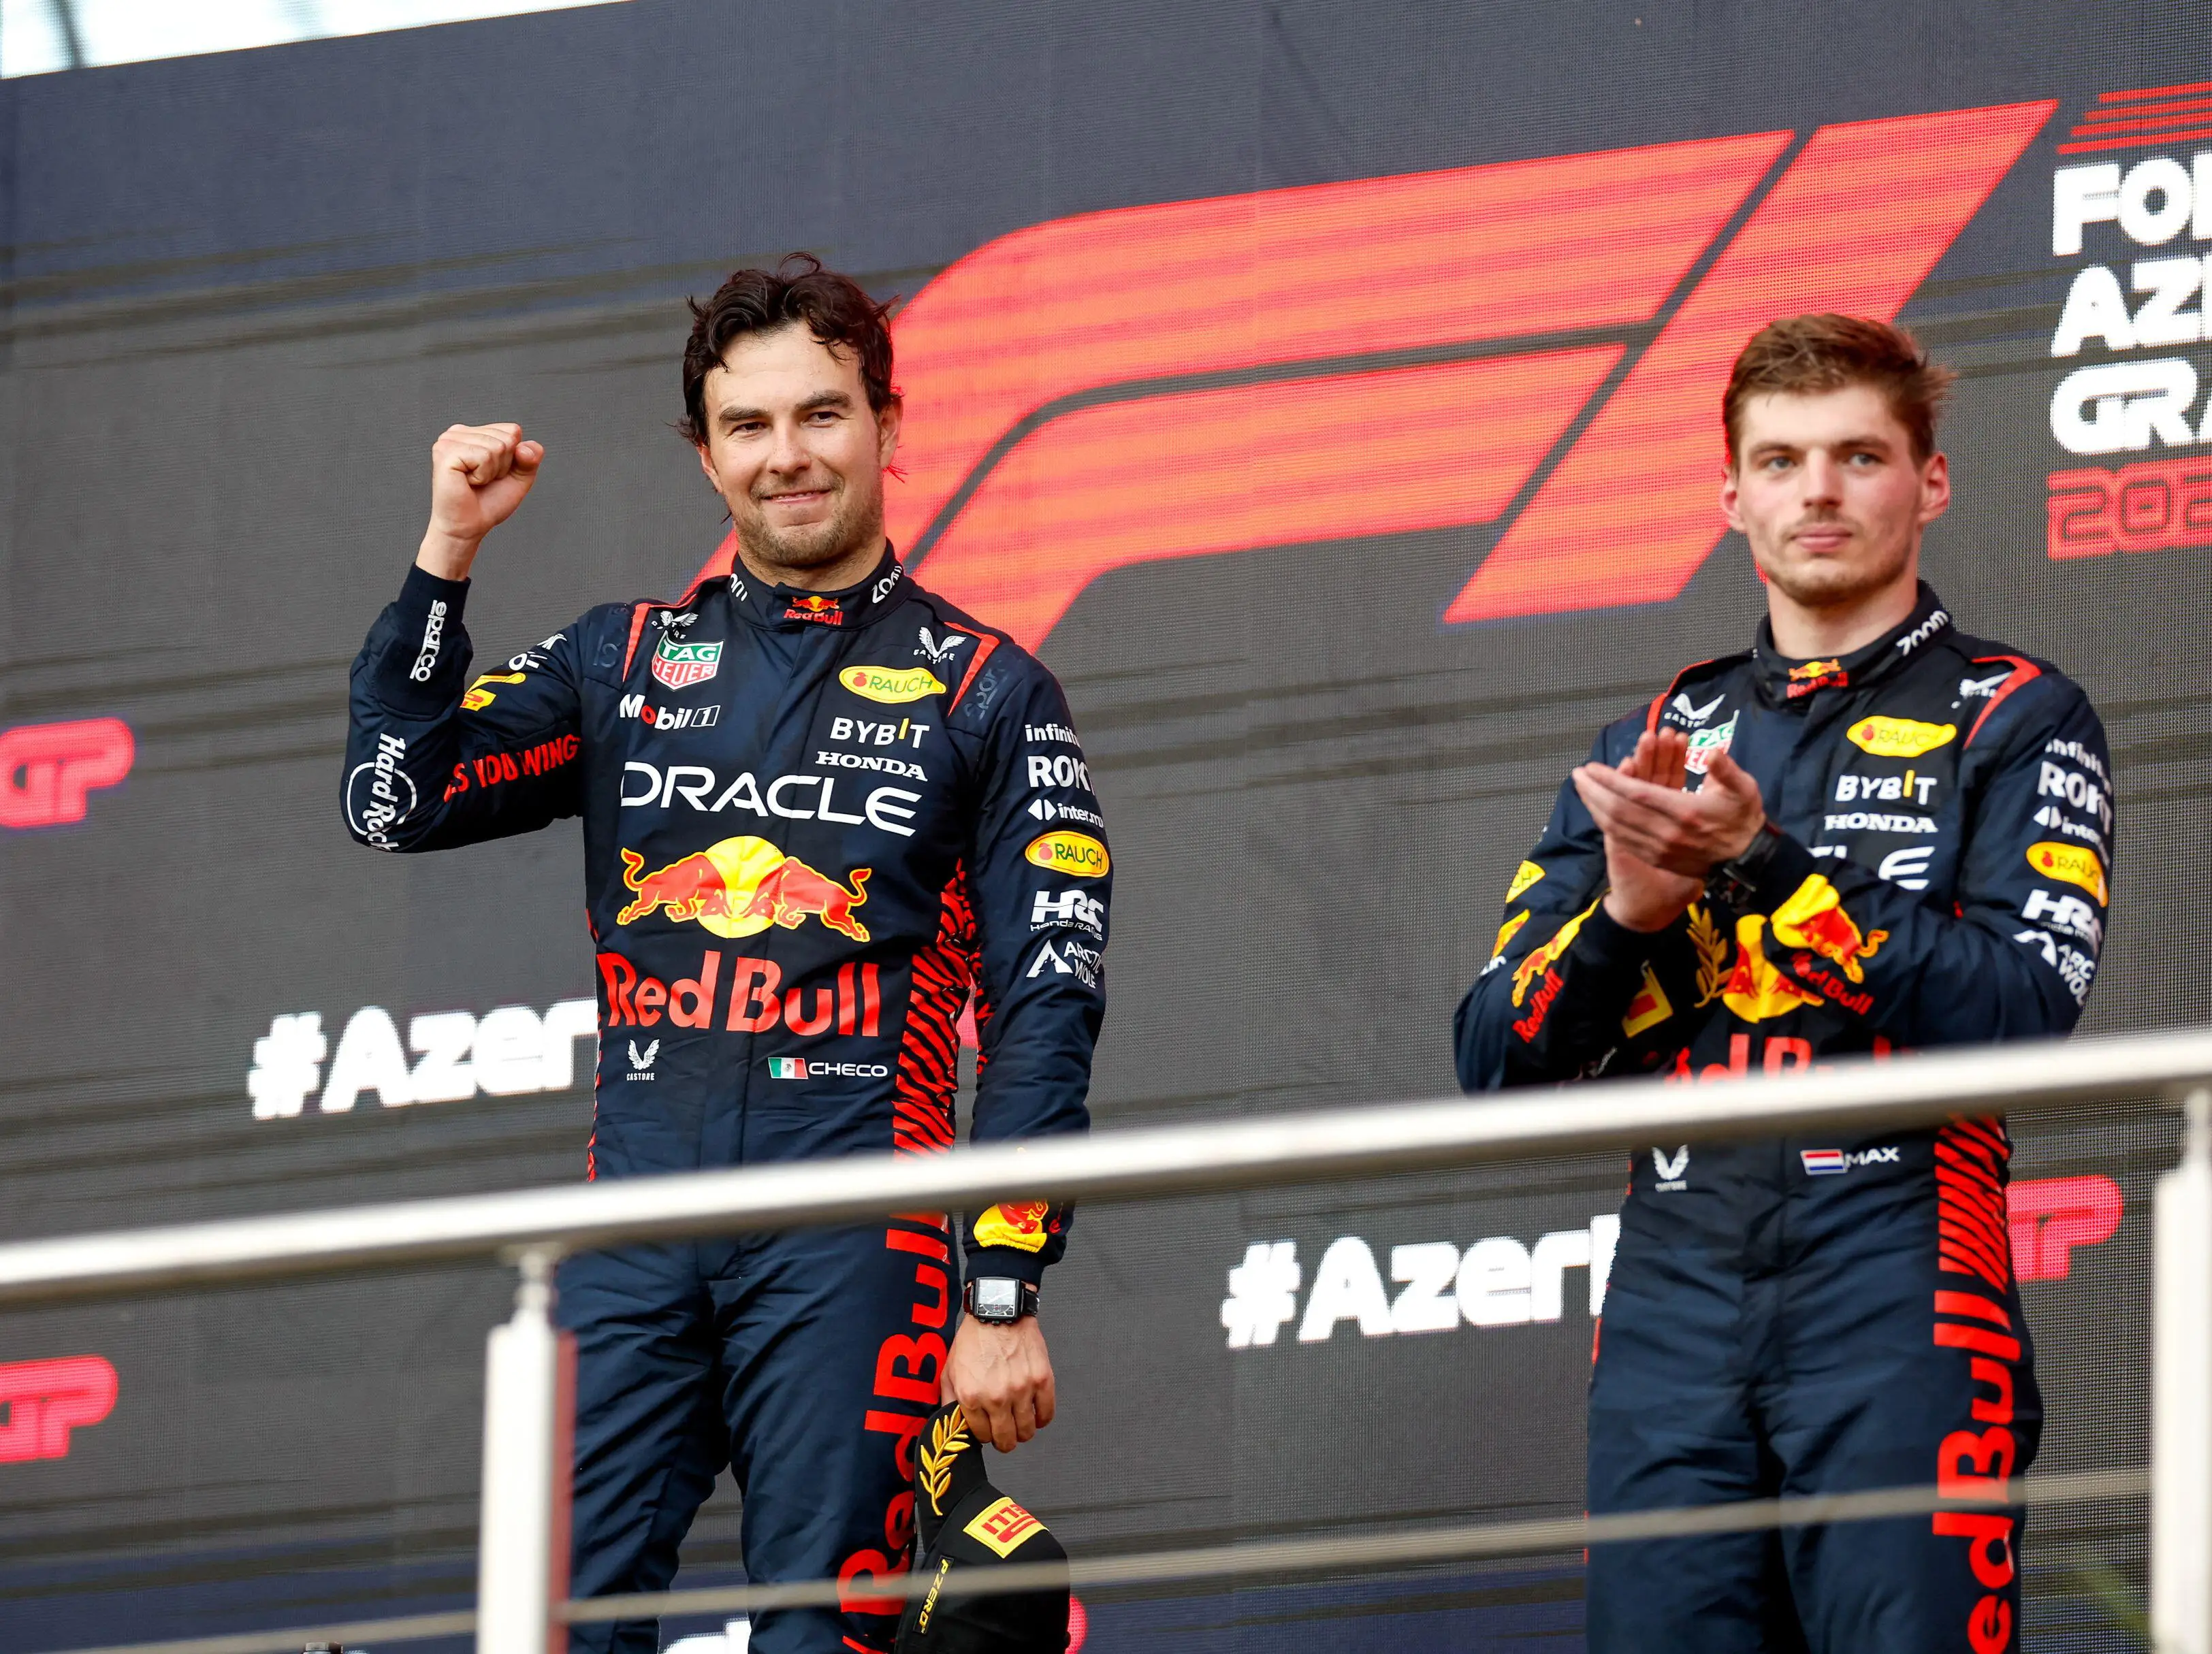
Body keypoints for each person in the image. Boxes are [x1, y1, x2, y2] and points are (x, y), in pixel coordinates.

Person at [340, 255, 1110, 1653]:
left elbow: (1047, 1001)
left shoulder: (990, 689)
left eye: (821, 416)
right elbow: (392, 803)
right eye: (747, 427)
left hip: (855, 1234)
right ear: (704, 453)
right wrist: (447, 551)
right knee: (549, 1628)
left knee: (830, 1636)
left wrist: (1002, 1288)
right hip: (632, 1229)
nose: (787, 458)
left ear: (887, 422)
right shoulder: (617, 659)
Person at [1455, 314, 2111, 1653]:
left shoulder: (2015, 714)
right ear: (1731, 495)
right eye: (1781, 460)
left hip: (1903, 1264)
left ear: (1928, 483)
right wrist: (1628, 916)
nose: (1817, 490)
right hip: (1670, 1290)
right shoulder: (1651, 744)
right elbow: (1492, 1056)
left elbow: (2023, 1013)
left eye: (1857, 455)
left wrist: (1762, 856)